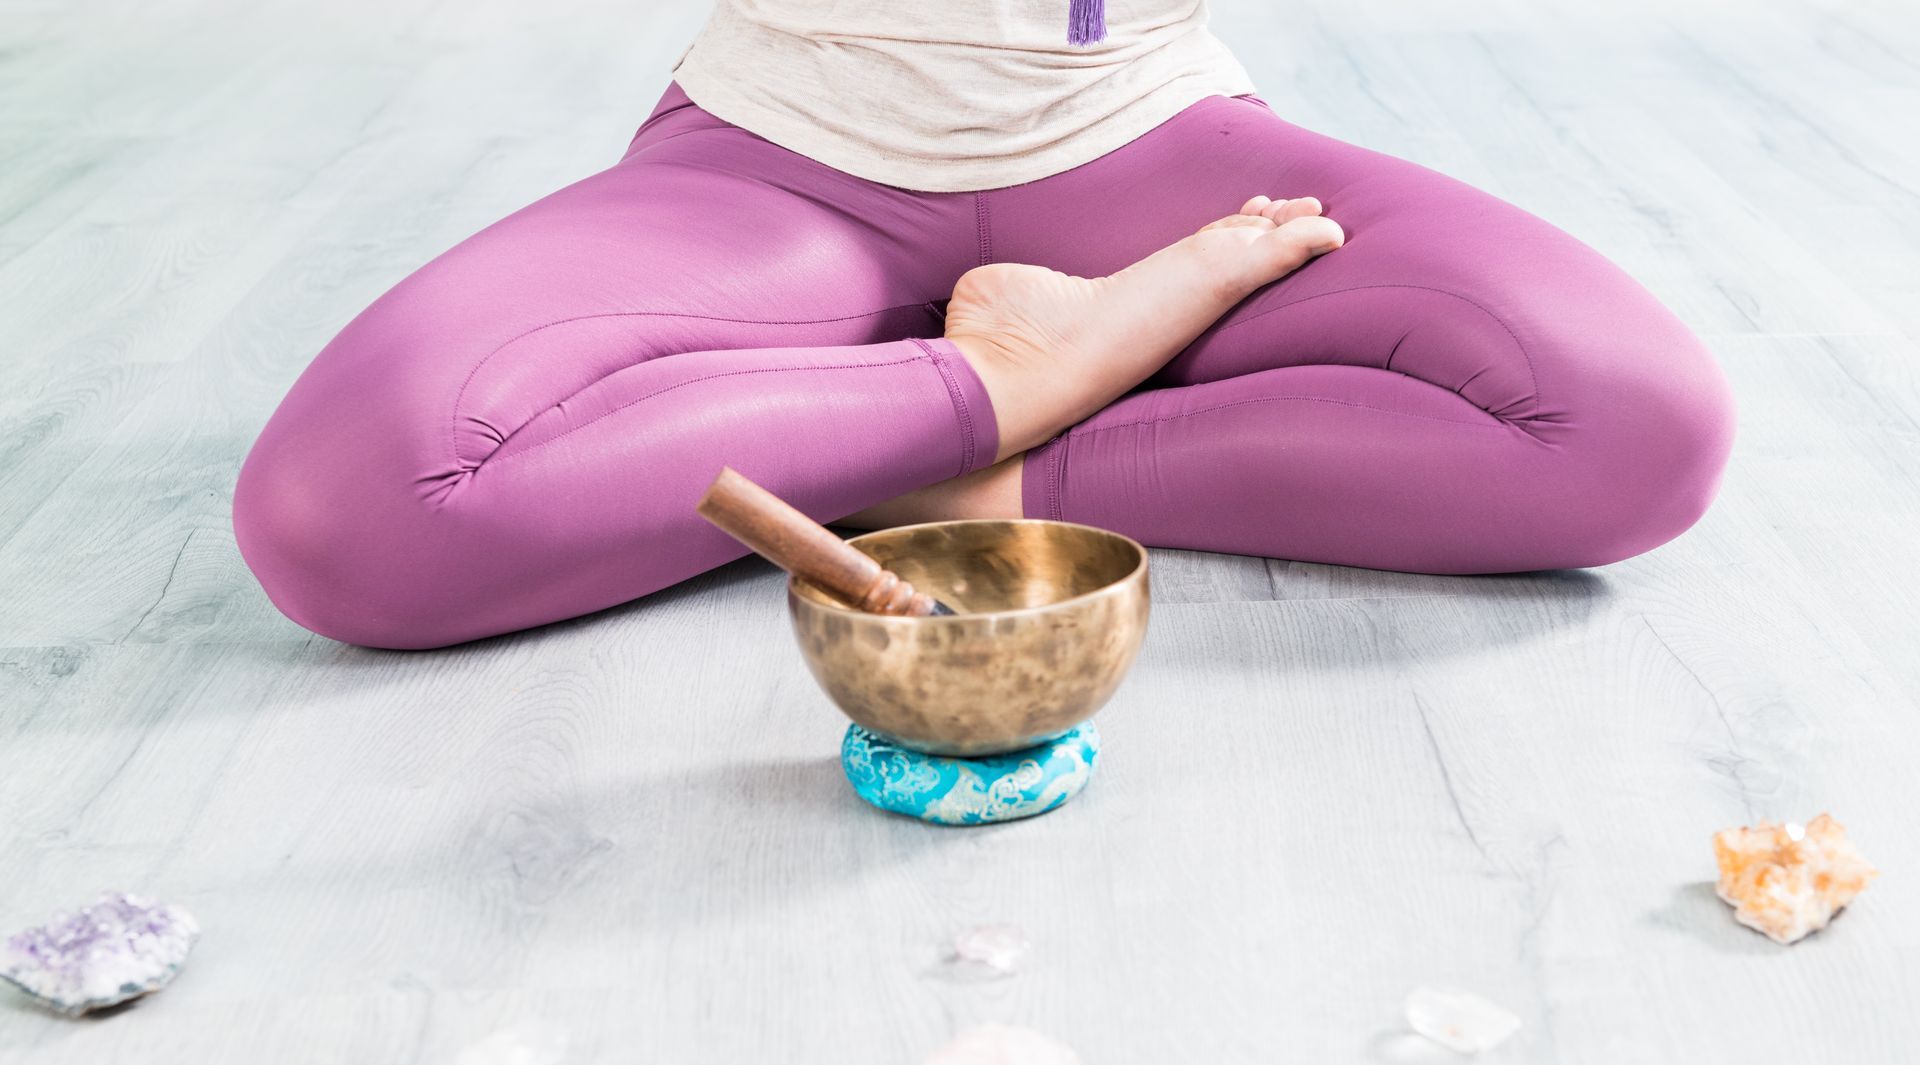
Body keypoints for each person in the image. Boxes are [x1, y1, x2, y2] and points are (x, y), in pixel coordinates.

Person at [232, 0, 1735, 649]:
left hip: (1149, 145)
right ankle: (1012, 371)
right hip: (775, 162)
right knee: (347, 514)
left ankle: (932, 457)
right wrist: (1011, 375)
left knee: (1627, 423)